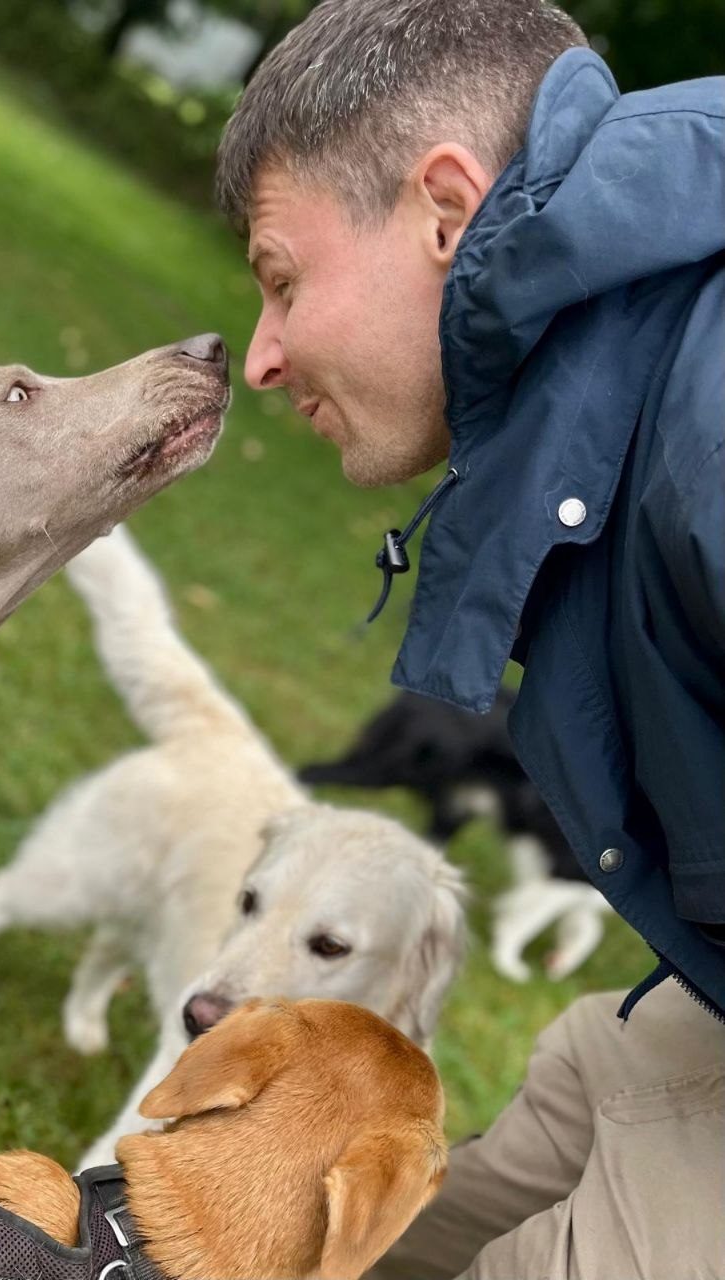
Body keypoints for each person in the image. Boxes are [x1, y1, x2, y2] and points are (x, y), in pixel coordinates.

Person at [215, 1, 725, 1276]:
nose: (262, 357)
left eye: (282, 281)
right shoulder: (622, 374)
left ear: (445, 210)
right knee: (591, 1076)